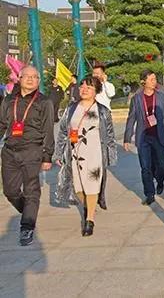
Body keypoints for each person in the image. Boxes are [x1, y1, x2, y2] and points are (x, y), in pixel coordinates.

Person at [53, 76, 117, 236]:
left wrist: (110, 155)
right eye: (82, 86)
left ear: (96, 91)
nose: (84, 90)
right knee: (78, 188)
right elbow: (62, 131)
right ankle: (89, 206)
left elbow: (110, 135)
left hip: (95, 154)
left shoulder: (103, 111)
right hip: (75, 154)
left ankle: (89, 220)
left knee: (92, 185)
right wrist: (59, 153)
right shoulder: (71, 108)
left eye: (89, 87)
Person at [0, 66, 54, 246]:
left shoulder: (44, 102)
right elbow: (2, 124)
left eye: (35, 77)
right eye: (27, 76)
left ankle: (27, 226)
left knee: (31, 190)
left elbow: (48, 130)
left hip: (32, 150)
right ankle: (29, 211)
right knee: (10, 191)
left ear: (38, 81)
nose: (30, 79)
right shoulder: (9, 100)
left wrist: (47, 156)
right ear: (20, 78)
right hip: (10, 151)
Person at [124, 70, 164, 206]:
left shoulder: (161, 96)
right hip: (143, 138)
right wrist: (127, 138)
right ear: (144, 82)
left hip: (159, 136)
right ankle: (149, 194)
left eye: (155, 79)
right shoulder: (136, 98)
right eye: (152, 79)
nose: (155, 81)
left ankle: (160, 180)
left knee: (162, 165)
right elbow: (131, 118)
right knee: (145, 167)